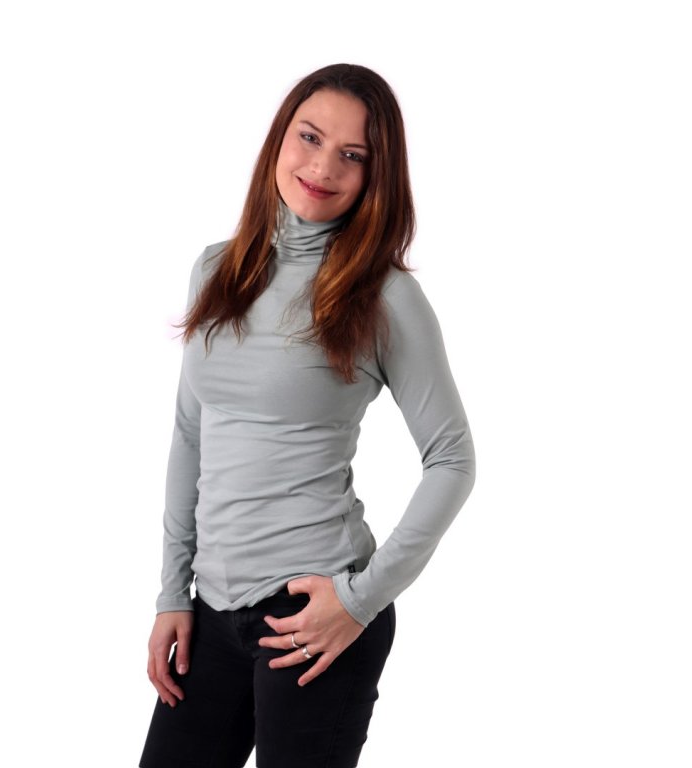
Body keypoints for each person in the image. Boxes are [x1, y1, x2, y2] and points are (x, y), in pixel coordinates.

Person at [140, 63, 475, 768]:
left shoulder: (384, 296)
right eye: (310, 138)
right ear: (279, 138)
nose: (323, 168)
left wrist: (359, 600)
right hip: (210, 611)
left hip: (314, 612)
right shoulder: (216, 269)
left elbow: (452, 460)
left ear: (377, 176)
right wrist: (173, 593)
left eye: (353, 155)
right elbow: (191, 434)